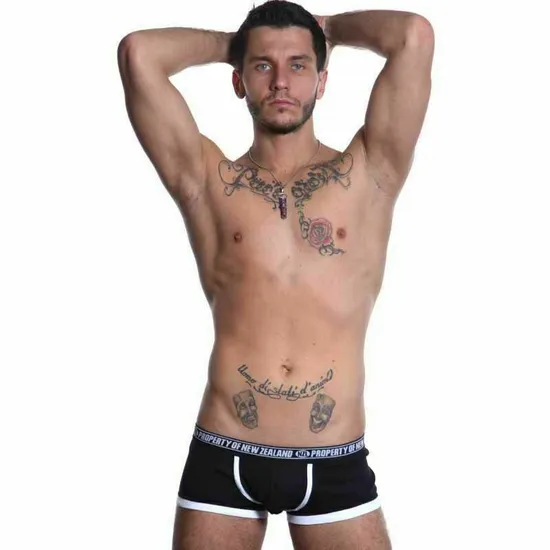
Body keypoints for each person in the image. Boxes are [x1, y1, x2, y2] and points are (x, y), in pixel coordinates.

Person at [117, 1, 434, 548]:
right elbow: (138, 54)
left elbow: (414, 36)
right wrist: (234, 45)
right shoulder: (207, 181)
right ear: (239, 81)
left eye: (299, 64)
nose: (282, 81)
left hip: (334, 457)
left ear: (323, 80)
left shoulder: (371, 172)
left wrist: (327, 30)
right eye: (263, 66)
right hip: (224, 453)